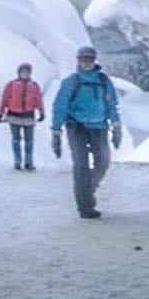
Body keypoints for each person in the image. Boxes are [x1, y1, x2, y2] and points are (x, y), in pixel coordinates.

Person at [49, 45, 121, 219]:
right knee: (81, 166)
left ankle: (87, 190)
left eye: (89, 59)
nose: (86, 62)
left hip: (99, 127)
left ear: (94, 60)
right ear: (78, 61)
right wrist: (56, 131)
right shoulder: (71, 82)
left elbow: (112, 104)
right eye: (83, 59)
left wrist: (116, 125)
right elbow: (60, 106)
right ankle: (85, 206)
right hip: (77, 127)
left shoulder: (104, 81)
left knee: (103, 163)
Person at [0, 62, 45, 171]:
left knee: (29, 141)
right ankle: (17, 161)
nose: (25, 74)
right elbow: (5, 99)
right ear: (19, 73)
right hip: (14, 116)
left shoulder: (34, 86)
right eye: (22, 72)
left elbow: (39, 100)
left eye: (27, 72)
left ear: (30, 73)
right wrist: (1, 112)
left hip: (29, 116)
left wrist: (41, 112)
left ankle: (28, 162)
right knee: (16, 140)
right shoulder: (11, 85)